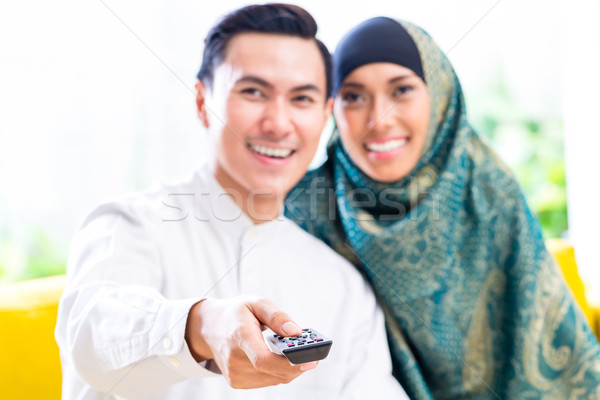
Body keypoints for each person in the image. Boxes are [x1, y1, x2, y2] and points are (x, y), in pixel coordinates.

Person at [55, 5, 409, 400]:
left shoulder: (344, 287)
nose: (278, 123)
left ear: (326, 114)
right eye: (253, 92)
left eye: (302, 99)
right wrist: (200, 326)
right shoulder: (127, 226)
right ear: (202, 102)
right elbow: (88, 334)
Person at [286, 16, 600, 399]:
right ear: (331, 107)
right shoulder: (303, 209)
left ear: (438, 96)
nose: (379, 120)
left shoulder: (486, 187)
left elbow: (555, 349)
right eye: (353, 96)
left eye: (401, 90)